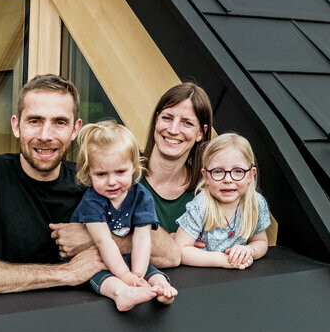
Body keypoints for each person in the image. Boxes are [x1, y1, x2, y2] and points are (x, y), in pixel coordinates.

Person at [0, 74, 179, 295]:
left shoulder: (94, 180)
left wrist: (97, 238)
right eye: (35, 121)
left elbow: (170, 253)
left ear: (75, 129)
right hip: (2, 319)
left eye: (59, 122)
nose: (46, 135)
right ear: (16, 126)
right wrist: (65, 273)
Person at [51, 82, 212, 257]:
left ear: (201, 132)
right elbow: (71, 239)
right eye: (167, 118)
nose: (173, 130)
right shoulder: (116, 174)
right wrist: (166, 243)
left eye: (187, 123)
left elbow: (231, 239)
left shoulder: (207, 190)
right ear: (156, 119)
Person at [70, 121, 176, 310]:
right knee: (103, 277)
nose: (112, 181)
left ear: (133, 167)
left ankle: (162, 288)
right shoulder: (92, 201)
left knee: (151, 270)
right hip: (94, 257)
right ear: (89, 172)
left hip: (124, 255)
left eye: (120, 172)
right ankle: (121, 294)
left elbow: (142, 238)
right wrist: (125, 277)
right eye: (101, 174)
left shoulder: (141, 196)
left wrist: (137, 275)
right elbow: (104, 241)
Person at [174, 133, 270, 269]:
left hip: (240, 277)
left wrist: (249, 251)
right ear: (206, 176)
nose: (228, 179)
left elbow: (260, 241)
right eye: (218, 171)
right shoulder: (200, 206)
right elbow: (180, 249)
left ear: (250, 175)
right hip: (201, 274)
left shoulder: (255, 203)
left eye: (238, 171)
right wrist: (223, 260)